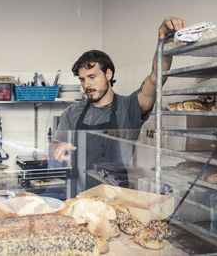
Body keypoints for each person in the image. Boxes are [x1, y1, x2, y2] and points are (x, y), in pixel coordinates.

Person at [49, 16, 186, 192]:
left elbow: (156, 78)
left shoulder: (128, 107)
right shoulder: (72, 112)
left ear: (108, 74)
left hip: (118, 198)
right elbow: (54, 144)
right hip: (79, 197)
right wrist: (56, 147)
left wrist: (163, 42)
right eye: (83, 79)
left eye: (92, 77)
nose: (87, 85)